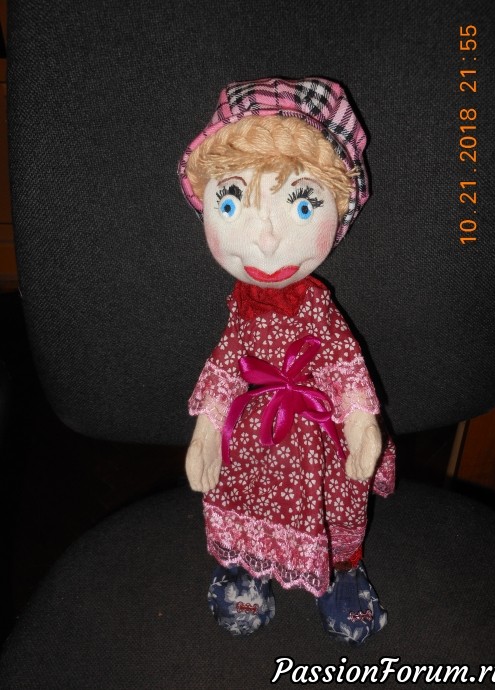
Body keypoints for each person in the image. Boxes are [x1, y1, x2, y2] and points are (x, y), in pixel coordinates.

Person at [178, 77, 395, 643]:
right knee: (242, 492)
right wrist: (207, 431)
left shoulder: (319, 307)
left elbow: (344, 363)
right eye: (232, 202)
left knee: (336, 504)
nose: (268, 241)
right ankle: (247, 566)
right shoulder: (240, 308)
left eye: (302, 204)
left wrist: (359, 420)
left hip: (316, 439)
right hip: (254, 438)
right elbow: (226, 365)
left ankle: (341, 572)